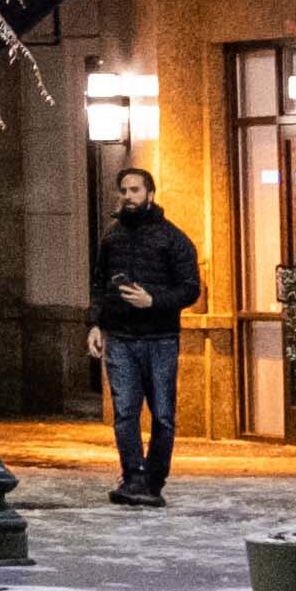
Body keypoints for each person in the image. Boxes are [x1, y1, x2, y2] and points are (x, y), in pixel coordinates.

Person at [90, 169, 203, 504]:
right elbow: (99, 283)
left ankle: (154, 479)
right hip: (121, 337)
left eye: (135, 190)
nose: (128, 196)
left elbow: (190, 289)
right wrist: (95, 324)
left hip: (160, 337)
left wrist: (153, 301)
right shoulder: (112, 237)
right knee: (125, 412)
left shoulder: (173, 239)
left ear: (150, 194)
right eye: (123, 190)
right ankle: (133, 478)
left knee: (163, 414)